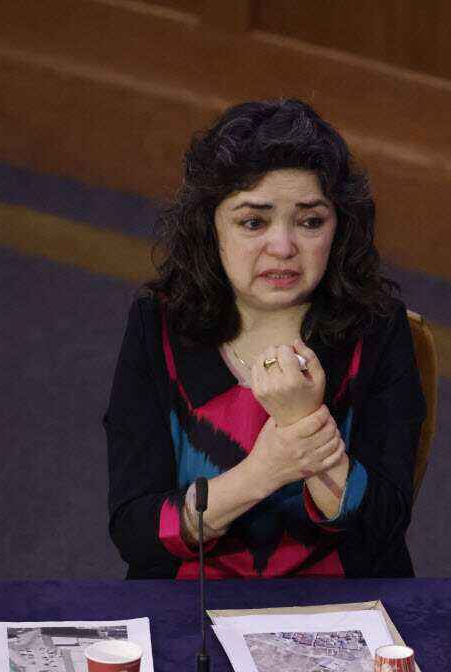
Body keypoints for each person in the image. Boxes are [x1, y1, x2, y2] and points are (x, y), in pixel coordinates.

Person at [103, 98, 425, 579]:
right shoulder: (160, 324)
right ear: (211, 226)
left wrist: (302, 422)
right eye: (254, 222)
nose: (284, 247)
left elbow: (382, 527)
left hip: (343, 608)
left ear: (339, 228)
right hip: (190, 608)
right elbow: (137, 533)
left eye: (311, 221)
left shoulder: (375, 326)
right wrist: (263, 472)